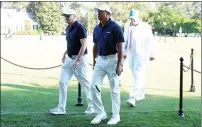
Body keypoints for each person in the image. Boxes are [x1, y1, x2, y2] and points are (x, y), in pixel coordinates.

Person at [49, 7, 94, 115]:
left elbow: (84, 45)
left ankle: (92, 106)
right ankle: (61, 108)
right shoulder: (68, 28)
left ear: (74, 16)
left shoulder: (80, 27)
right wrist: (65, 54)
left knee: (85, 83)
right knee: (62, 81)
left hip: (80, 59)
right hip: (69, 59)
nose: (66, 18)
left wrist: (77, 60)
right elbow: (71, 44)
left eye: (68, 16)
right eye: (65, 16)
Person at [90, 5, 124, 125]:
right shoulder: (96, 28)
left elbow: (120, 48)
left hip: (112, 60)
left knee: (114, 89)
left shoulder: (115, 27)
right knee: (93, 86)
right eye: (97, 12)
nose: (98, 14)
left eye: (100, 12)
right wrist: (94, 61)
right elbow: (95, 45)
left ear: (107, 14)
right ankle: (100, 112)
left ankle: (116, 115)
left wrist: (119, 64)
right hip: (100, 60)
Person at [123, 9, 156, 107]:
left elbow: (150, 40)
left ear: (138, 18)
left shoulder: (145, 27)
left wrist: (152, 54)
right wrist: (124, 53)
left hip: (142, 54)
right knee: (135, 74)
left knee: (138, 75)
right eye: (131, 19)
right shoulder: (127, 26)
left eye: (134, 18)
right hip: (131, 54)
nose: (132, 21)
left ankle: (133, 97)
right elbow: (125, 39)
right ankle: (141, 94)